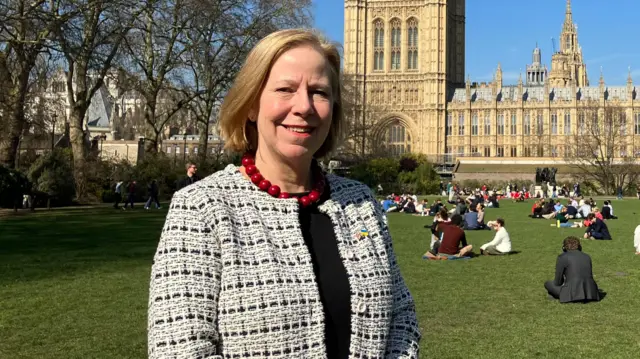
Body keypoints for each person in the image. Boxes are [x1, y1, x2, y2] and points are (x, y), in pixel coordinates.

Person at [148, 29, 420, 359]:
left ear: (333, 107)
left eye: (319, 92)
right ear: (251, 104)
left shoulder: (360, 203)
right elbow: (180, 349)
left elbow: (402, 316)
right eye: (285, 89)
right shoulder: (202, 207)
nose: (303, 106)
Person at [544, 237, 601, 303]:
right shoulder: (587, 256)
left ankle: (555, 295)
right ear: (579, 247)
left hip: (571, 294)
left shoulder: (562, 257)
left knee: (548, 283)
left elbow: (557, 282)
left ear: (564, 248)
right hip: (591, 293)